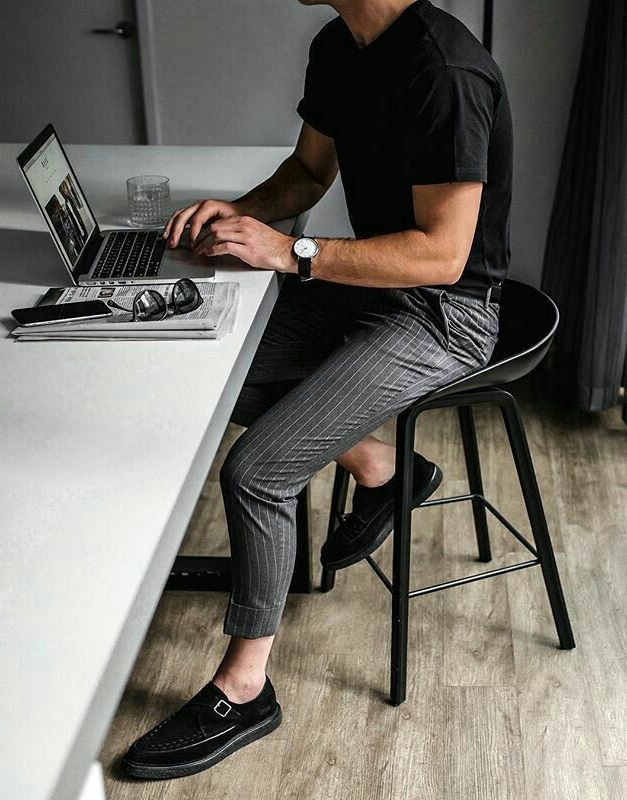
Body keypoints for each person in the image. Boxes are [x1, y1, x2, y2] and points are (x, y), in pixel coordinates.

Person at [123, 0, 512, 780]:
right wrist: (242, 213)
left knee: (256, 470)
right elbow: (307, 171)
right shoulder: (340, 43)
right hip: (372, 286)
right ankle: (381, 469)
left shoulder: (445, 70)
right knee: (206, 365)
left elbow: (441, 255)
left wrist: (291, 252)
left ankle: (246, 687)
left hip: (446, 311)